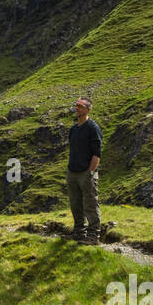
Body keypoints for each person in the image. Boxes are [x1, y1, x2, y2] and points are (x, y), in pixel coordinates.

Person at [66, 97, 102, 243]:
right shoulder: (73, 129)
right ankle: (79, 233)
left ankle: (93, 236)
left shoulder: (93, 128)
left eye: (80, 106)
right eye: (76, 106)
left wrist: (91, 172)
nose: (77, 108)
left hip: (86, 173)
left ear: (88, 109)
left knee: (90, 204)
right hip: (72, 172)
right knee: (75, 204)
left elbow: (97, 153)